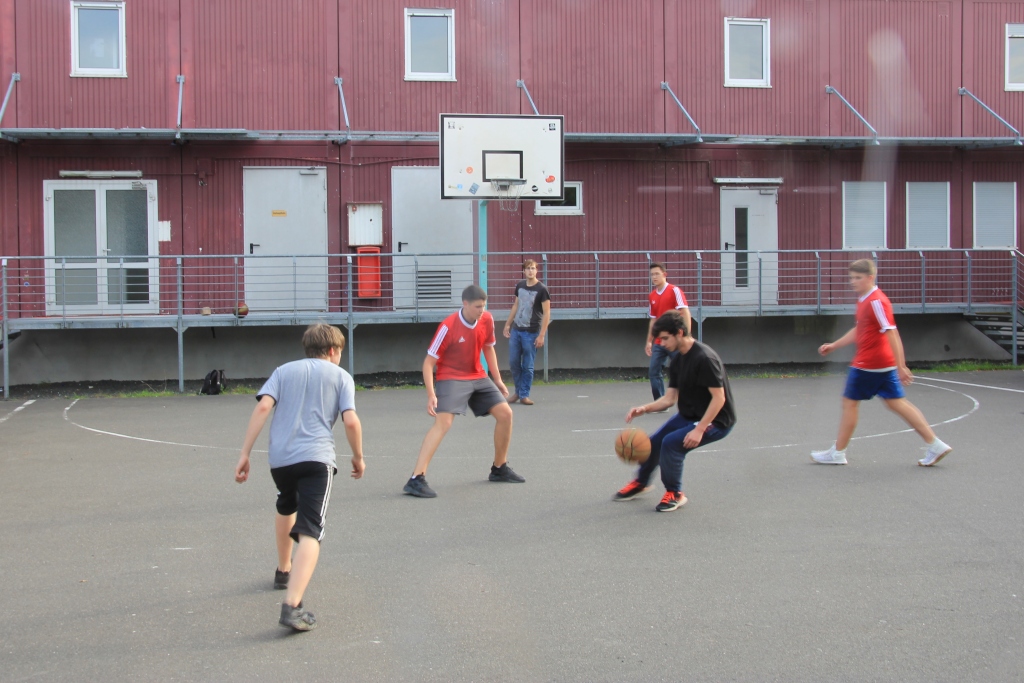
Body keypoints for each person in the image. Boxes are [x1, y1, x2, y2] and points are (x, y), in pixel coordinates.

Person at [234, 324, 365, 632]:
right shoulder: (341, 376)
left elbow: (263, 407)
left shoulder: (283, 371)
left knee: (286, 502)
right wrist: (358, 456)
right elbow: (350, 421)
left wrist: (245, 453)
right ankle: (292, 606)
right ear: (332, 351)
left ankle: (284, 570)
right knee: (311, 530)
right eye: (340, 352)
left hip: (281, 459)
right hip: (316, 459)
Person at [812, 259, 952, 466]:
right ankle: (936, 445)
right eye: (851, 277)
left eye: (858, 278)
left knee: (850, 403)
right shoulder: (864, 299)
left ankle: (838, 453)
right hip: (881, 364)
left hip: (869, 364)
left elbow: (892, 332)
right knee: (896, 402)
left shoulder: (876, 301)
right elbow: (860, 329)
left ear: (870, 277)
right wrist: (834, 345)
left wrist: (901, 366)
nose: (853, 282)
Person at [404, 284, 523, 498]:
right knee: (443, 423)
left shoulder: (486, 319)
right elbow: (428, 363)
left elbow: (488, 348)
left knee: (506, 414)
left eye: (484, 306)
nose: (481, 310)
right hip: (451, 377)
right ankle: (416, 479)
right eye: (477, 306)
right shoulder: (448, 326)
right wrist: (431, 395)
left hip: (477, 375)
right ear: (465, 304)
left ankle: (499, 468)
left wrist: (497, 379)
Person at [616, 310, 736, 512]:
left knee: (671, 444)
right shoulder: (679, 359)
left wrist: (699, 430)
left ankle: (675, 493)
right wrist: (644, 408)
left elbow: (719, 398)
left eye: (665, 338)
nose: (661, 344)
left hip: (716, 420)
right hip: (689, 415)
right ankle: (641, 483)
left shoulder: (705, 358)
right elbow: (670, 398)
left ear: (680, 332)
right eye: (659, 340)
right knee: (654, 442)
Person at [503, 258, 551, 405]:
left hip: (531, 332)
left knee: (527, 365)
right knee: (514, 363)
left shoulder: (542, 289)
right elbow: (516, 305)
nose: (530, 271)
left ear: (537, 270)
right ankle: (517, 392)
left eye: (533, 268)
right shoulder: (520, 286)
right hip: (516, 330)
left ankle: (524, 394)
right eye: (528, 268)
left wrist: (542, 335)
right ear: (524, 271)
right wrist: (507, 324)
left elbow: (547, 313)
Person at [645, 262, 691, 402]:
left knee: (681, 370)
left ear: (664, 274)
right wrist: (649, 341)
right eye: (652, 274)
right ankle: (660, 401)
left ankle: (688, 399)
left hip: (675, 340)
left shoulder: (674, 291)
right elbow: (653, 320)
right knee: (654, 371)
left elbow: (685, 312)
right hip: (659, 342)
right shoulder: (652, 296)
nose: (654, 277)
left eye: (657, 274)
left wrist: (686, 335)